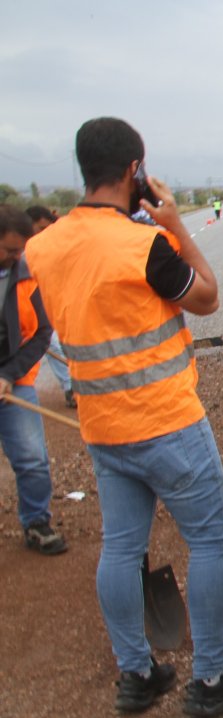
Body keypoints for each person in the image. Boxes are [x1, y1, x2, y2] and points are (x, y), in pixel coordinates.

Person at [25, 117, 223, 717]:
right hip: (166, 420)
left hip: (102, 427)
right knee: (210, 539)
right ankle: (209, 683)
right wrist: (174, 221)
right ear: (135, 172)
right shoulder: (144, 243)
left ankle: (137, 674)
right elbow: (206, 296)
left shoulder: (40, 247)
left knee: (121, 549)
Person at [0, 205, 65, 556]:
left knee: (32, 458)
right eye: (10, 249)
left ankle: (36, 522)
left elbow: (42, 333)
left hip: (12, 377)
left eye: (20, 249)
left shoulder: (27, 275)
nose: (16, 256)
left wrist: (8, 376)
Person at [24, 206, 75, 408]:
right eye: (41, 228)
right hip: (24, 313)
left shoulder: (47, 247)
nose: (44, 233)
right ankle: (71, 387)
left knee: (55, 343)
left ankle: (72, 386)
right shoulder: (18, 251)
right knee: (51, 343)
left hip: (44, 309)